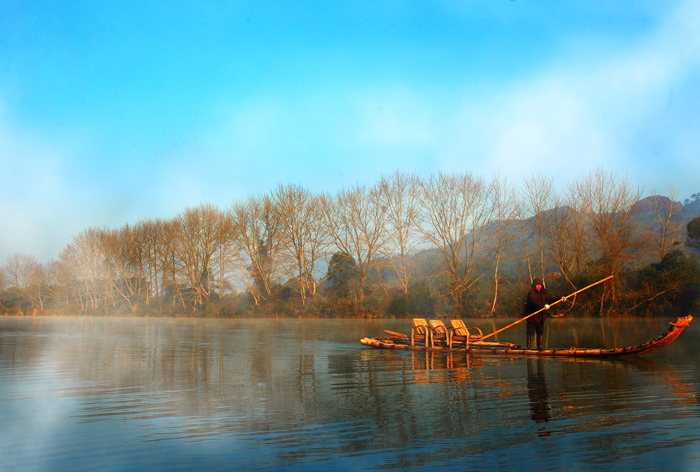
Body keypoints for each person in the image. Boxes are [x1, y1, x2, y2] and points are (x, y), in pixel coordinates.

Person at [524, 278, 560, 350]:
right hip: (532, 317)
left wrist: (560, 298)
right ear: (534, 286)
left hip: (541, 317)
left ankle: (540, 348)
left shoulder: (543, 293)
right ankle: (528, 348)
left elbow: (550, 299)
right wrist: (543, 306)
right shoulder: (531, 293)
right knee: (530, 332)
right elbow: (533, 302)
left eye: (540, 285)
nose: (538, 286)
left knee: (540, 332)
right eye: (537, 285)